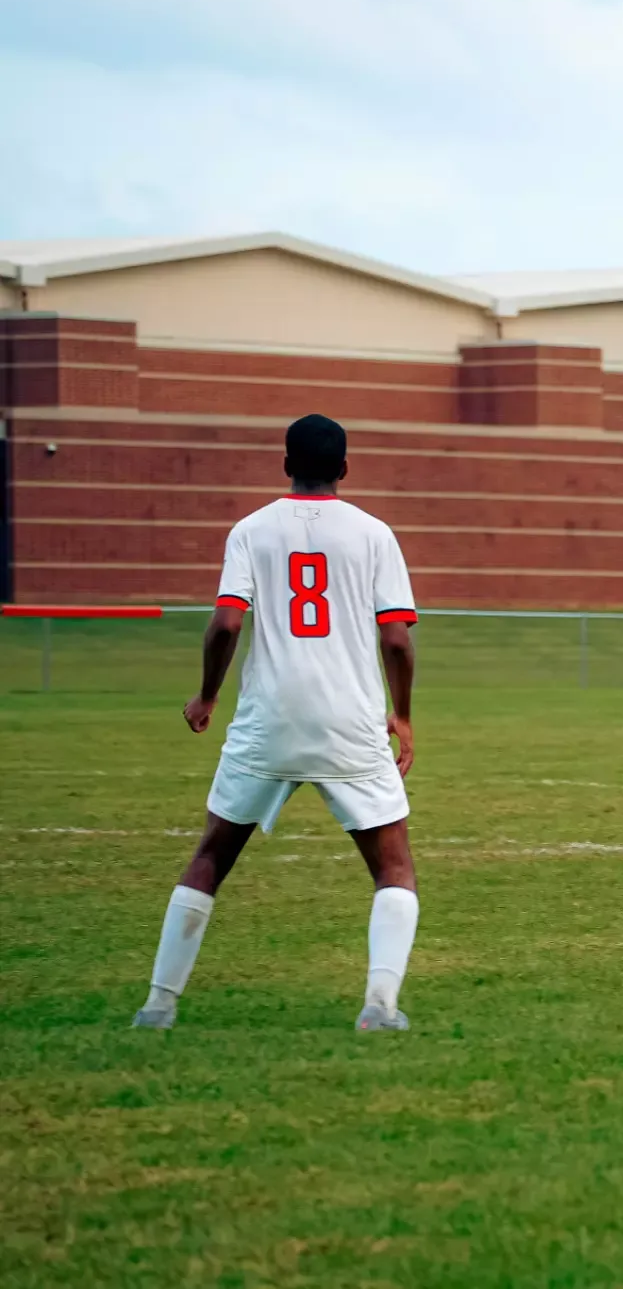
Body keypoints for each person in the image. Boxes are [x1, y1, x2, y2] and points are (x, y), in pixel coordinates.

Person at [132, 414, 421, 1031]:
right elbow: (396, 639)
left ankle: (159, 1004)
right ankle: (380, 1005)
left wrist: (208, 695)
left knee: (211, 855)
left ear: (285, 464)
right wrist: (401, 713)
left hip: (268, 720)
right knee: (393, 866)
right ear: (345, 468)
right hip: (348, 722)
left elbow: (227, 623)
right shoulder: (374, 534)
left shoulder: (250, 531)